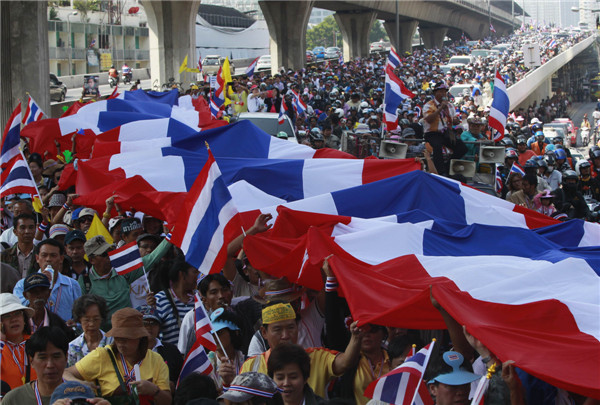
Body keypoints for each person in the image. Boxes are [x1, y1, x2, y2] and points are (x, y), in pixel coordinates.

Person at [229, 302, 364, 398]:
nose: (286, 335)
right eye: (278, 329)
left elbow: (346, 362)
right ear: (264, 332)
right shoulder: (251, 365)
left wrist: (356, 338)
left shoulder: (317, 356)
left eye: (290, 328)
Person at [64, 308, 171, 404]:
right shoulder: (102, 355)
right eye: (117, 338)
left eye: (126, 339)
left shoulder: (156, 360)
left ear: (140, 337)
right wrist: (81, 383)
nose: (120, 343)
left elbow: (168, 401)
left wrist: (154, 390)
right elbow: (66, 373)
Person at [13, 239, 82, 323]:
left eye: (53, 255)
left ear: (61, 258)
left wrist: (73, 324)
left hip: (62, 333)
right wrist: (40, 283)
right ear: (37, 258)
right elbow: (20, 311)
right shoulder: (22, 285)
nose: (48, 259)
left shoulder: (72, 285)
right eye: (44, 255)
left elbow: (79, 316)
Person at [1, 326, 70, 405]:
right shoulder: (13, 400)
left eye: (56, 357)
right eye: (43, 358)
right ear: (31, 361)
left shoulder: (80, 395)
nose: (50, 365)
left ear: (66, 358)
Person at [422, 81, 467, 175]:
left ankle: (447, 167)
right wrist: (440, 108)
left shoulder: (450, 105)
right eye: (440, 91)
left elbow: (454, 118)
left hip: (446, 132)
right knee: (437, 146)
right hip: (432, 133)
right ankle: (440, 172)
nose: (443, 94)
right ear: (435, 93)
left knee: (462, 148)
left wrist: (455, 121)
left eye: (444, 92)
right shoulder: (429, 105)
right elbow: (429, 120)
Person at [138, 304, 183, 391]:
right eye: (144, 323)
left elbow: (182, 378)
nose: (149, 327)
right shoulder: (129, 351)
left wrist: (173, 385)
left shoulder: (171, 350)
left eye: (153, 323)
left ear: (159, 327)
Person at [0, 293, 36, 392]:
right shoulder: (1, 347)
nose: (14, 319)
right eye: (6, 316)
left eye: (17, 313)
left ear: (24, 319)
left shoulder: (36, 341)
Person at [21, 273, 73, 340]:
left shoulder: (58, 324)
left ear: (49, 293)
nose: (39, 295)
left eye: (42, 290)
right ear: (25, 295)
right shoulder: (19, 323)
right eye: (33, 292)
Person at [207, 308, 246, 392]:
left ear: (234, 333)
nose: (215, 337)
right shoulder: (206, 363)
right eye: (212, 334)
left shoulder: (247, 361)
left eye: (220, 332)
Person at [68, 294, 113, 366]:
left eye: (96, 319)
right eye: (87, 320)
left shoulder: (112, 343)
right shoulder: (72, 347)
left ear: (101, 318)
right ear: (79, 320)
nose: (91, 324)